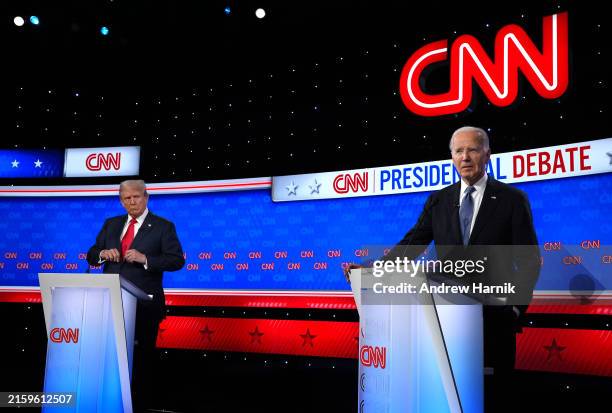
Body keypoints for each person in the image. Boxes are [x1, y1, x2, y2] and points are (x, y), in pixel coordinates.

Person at [345, 126, 540, 411]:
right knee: (449, 396)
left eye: (472, 149)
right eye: (458, 151)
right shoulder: (439, 200)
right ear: (451, 157)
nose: (465, 157)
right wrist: (372, 270)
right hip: (446, 318)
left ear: (487, 154)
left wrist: (515, 308)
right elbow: (412, 244)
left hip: (494, 321)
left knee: (493, 398)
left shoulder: (512, 199)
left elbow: (528, 260)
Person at [87, 179, 185, 412]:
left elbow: (177, 260)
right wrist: (102, 253)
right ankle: (108, 403)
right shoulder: (111, 224)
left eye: (136, 197)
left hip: (144, 306)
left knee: (141, 362)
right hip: (110, 304)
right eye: (127, 198)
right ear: (121, 201)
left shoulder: (163, 226)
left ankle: (138, 405)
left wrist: (146, 259)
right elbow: (91, 255)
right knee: (108, 359)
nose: (132, 202)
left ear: (146, 197)